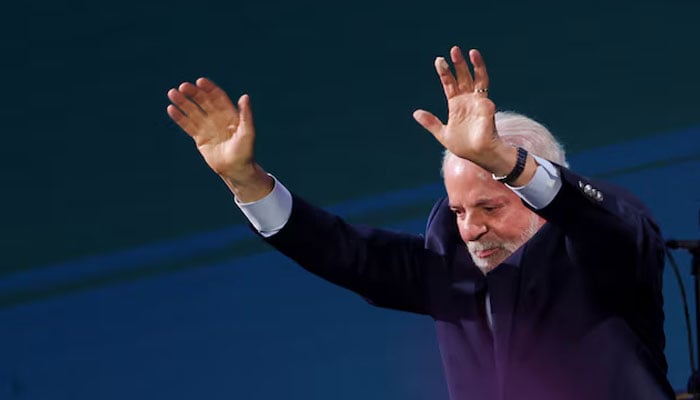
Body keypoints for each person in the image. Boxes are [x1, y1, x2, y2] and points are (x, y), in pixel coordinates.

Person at [166, 46, 675, 399]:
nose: (471, 228)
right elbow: (343, 252)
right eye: (458, 211)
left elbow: (602, 222)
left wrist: (504, 159)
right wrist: (246, 180)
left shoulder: (604, 245)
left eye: (491, 206)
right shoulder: (448, 263)